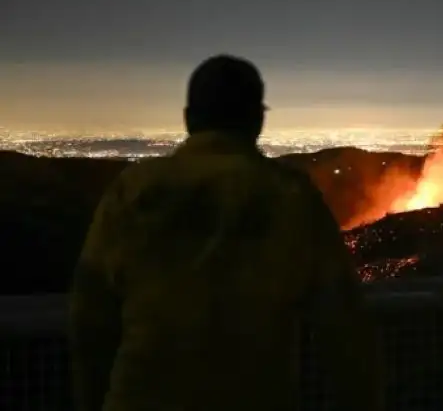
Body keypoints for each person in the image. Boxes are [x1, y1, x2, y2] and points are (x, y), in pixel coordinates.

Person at [69, 54, 383, 411]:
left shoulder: (134, 190)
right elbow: (343, 326)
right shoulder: (289, 195)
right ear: (257, 120)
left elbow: (89, 315)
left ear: (188, 118)